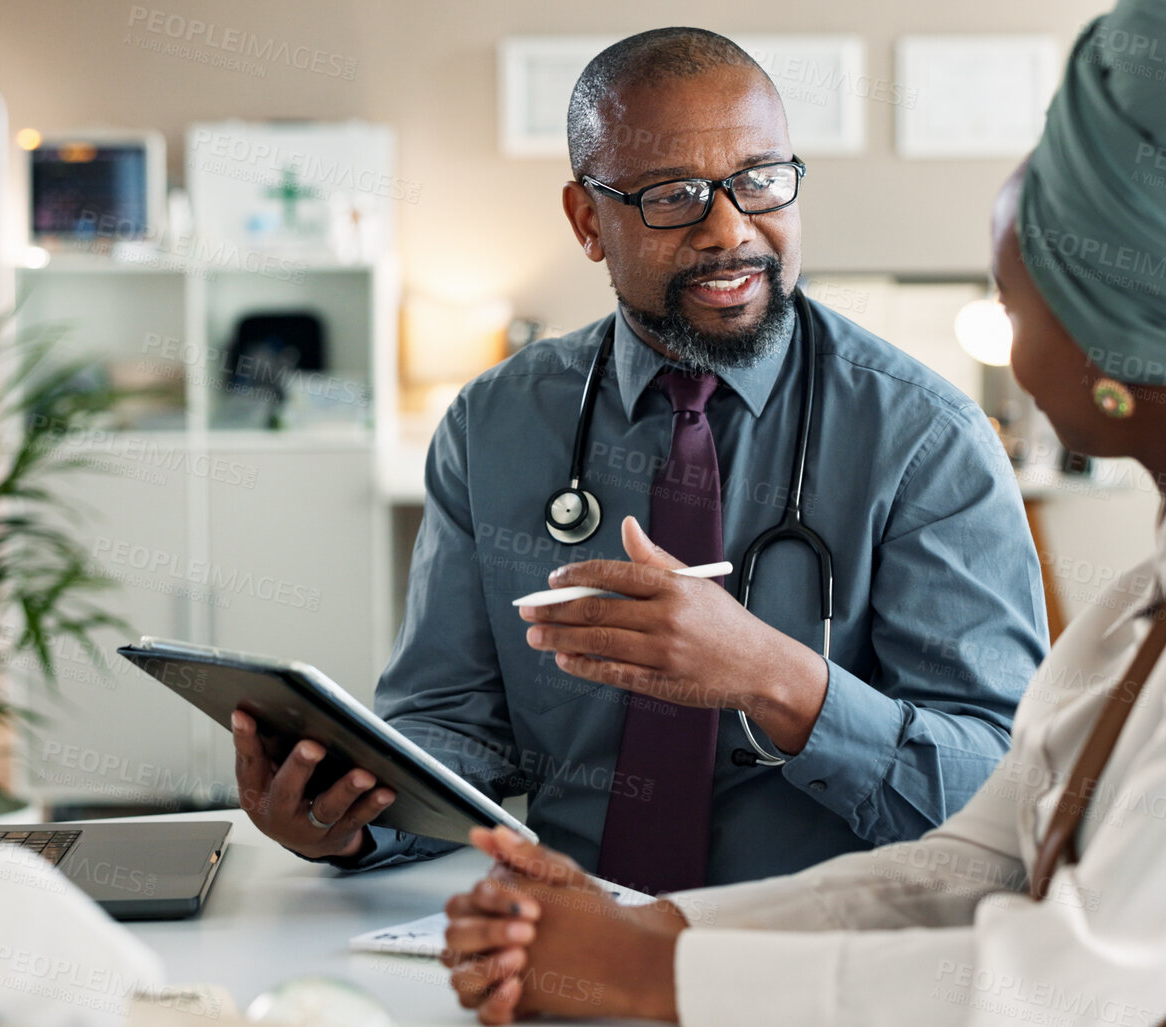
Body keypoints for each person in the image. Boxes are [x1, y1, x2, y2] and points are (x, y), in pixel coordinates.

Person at [437, 1, 1166, 1023]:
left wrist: (652, 972)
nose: (1002, 352)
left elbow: (1066, 983)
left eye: (1009, 301)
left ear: (1115, 342)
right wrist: (638, 929)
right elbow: (966, 871)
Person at [229, 27, 1048, 894]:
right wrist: (347, 820)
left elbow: (1003, 791)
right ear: (588, 221)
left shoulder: (925, 437)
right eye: (672, 195)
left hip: (816, 952)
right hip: (573, 939)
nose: (729, 229)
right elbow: (450, 725)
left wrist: (772, 676)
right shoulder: (494, 423)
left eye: (760, 180)